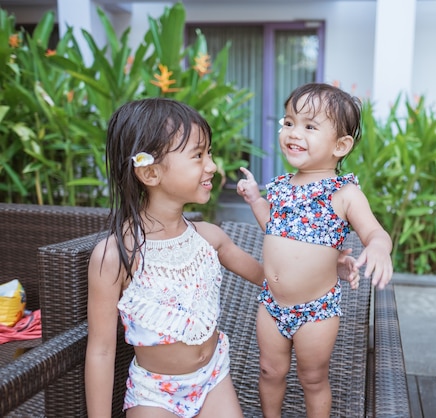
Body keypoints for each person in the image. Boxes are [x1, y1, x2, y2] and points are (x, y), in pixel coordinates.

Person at [85, 97, 359, 418]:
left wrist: (321, 265)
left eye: (209, 153)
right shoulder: (115, 256)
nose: (212, 166)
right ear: (151, 173)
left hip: (214, 379)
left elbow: (271, 278)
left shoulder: (209, 237)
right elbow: (101, 352)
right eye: (198, 155)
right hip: (156, 392)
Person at [236, 82, 393, 418]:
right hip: (272, 303)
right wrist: (255, 199)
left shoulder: (345, 194)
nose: (293, 132)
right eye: (289, 122)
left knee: (313, 378)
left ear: (340, 145)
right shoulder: (281, 186)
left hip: (315, 310)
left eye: (309, 126)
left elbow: (374, 232)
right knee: (269, 371)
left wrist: (379, 248)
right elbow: (275, 227)